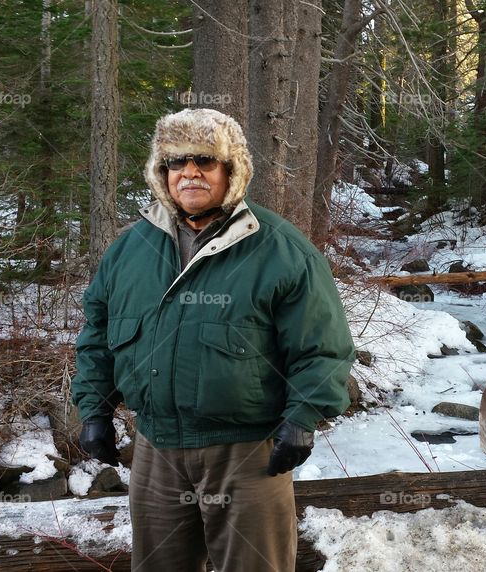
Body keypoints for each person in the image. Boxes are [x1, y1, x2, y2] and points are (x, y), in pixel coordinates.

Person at [71, 108, 355, 571]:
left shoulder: (280, 248)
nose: (190, 173)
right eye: (176, 162)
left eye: (204, 160)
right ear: (161, 173)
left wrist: (303, 417)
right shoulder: (130, 249)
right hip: (156, 447)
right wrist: (94, 408)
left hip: (246, 453)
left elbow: (322, 345)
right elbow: (97, 337)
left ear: (231, 170)